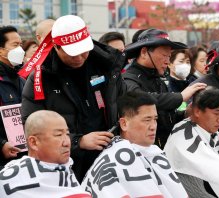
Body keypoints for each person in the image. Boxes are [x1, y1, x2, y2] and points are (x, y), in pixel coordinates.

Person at [20, 15, 126, 182]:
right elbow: (31, 126)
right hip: (65, 166)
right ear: (56, 47)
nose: (79, 58)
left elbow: (124, 104)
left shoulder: (106, 65)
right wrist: (78, 141)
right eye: (72, 53)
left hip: (109, 158)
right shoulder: (40, 78)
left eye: (83, 51)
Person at [82, 91, 188, 197]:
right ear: (124, 124)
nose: (153, 126)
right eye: (147, 120)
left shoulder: (155, 153)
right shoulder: (111, 164)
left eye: (155, 119)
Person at [123, 28, 206, 148]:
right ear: (144, 52)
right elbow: (141, 100)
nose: (167, 61)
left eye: (169, 56)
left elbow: (166, 119)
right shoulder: (128, 79)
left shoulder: (159, 80)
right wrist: (181, 96)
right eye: (164, 55)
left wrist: (185, 114)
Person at [0, 110, 91, 198]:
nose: (67, 143)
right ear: (34, 142)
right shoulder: (7, 182)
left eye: (67, 134)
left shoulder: (67, 172)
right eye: (58, 135)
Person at [0, 26, 25, 169]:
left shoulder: (22, 80)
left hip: (23, 157)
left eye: (21, 45)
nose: (20, 50)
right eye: (15, 45)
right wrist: (1, 144)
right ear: (1, 50)